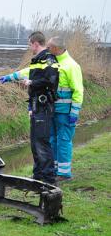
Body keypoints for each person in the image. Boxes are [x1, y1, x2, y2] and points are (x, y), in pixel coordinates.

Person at [0, 31, 59, 184]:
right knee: (34, 142)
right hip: (36, 106)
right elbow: (33, 76)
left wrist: (31, 83)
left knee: (42, 142)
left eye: (29, 44)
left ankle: (49, 179)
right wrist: (30, 105)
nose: (29, 47)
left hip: (44, 107)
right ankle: (38, 177)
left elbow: (51, 80)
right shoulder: (37, 59)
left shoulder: (49, 58)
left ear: (35, 43)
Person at [47, 36, 83, 182]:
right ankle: (56, 170)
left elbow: (78, 91)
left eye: (49, 48)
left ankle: (64, 174)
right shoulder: (53, 63)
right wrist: (13, 76)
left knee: (63, 140)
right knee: (53, 140)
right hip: (53, 111)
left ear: (56, 48)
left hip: (66, 112)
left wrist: (74, 112)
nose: (47, 50)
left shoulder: (71, 66)